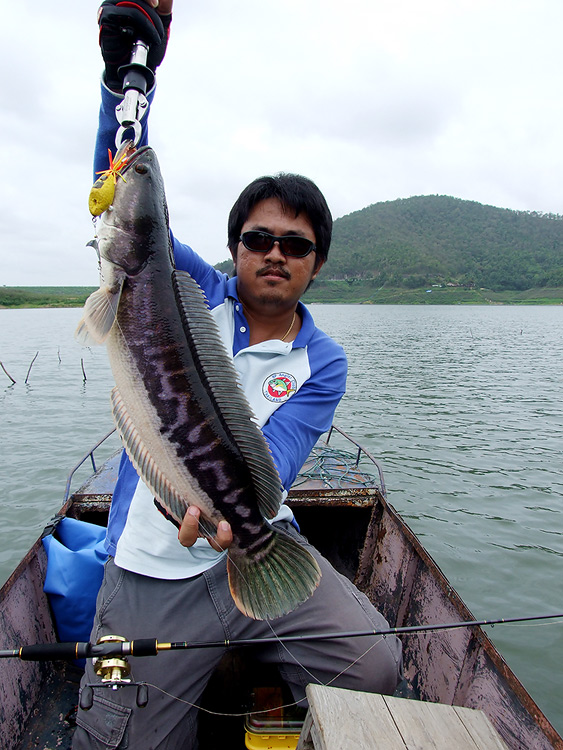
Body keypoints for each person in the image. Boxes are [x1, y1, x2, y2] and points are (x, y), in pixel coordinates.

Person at [73, 2, 402, 747]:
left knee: (374, 664)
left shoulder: (324, 363)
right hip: (152, 569)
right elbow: (122, 192)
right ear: (233, 249)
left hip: (257, 538)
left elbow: (276, 463)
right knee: (119, 739)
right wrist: (125, 81)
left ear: (316, 261)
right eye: (258, 238)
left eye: (295, 242)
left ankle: (268, 659)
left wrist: (233, 520)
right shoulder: (176, 289)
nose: (275, 253)